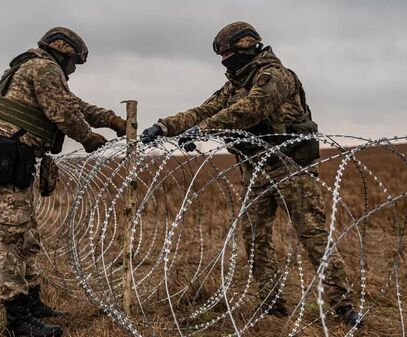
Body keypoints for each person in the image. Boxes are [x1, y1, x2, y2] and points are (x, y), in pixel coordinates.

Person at [141, 22, 362, 326]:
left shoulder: (274, 76)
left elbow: (251, 109)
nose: (224, 61)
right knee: (256, 239)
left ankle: (343, 306)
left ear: (246, 47)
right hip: (255, 170)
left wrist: (204, 130)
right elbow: (203, 110)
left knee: (313, 237)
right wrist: (164, 126)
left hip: (290, 170)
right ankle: (271, 302)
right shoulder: (236, 83)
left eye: (228, 54)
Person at [0, 27, 127, 337]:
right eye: (74, 63)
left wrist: (111, 119)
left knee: (27, 235)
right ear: (64, 53)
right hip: (0, 164)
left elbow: (74, 105)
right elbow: (64, 114)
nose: (73, 70)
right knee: (14, 240)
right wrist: (90, 138)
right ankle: (18, 321)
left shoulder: (36, 67)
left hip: (12, 164)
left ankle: (32, 304)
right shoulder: (44, 68)